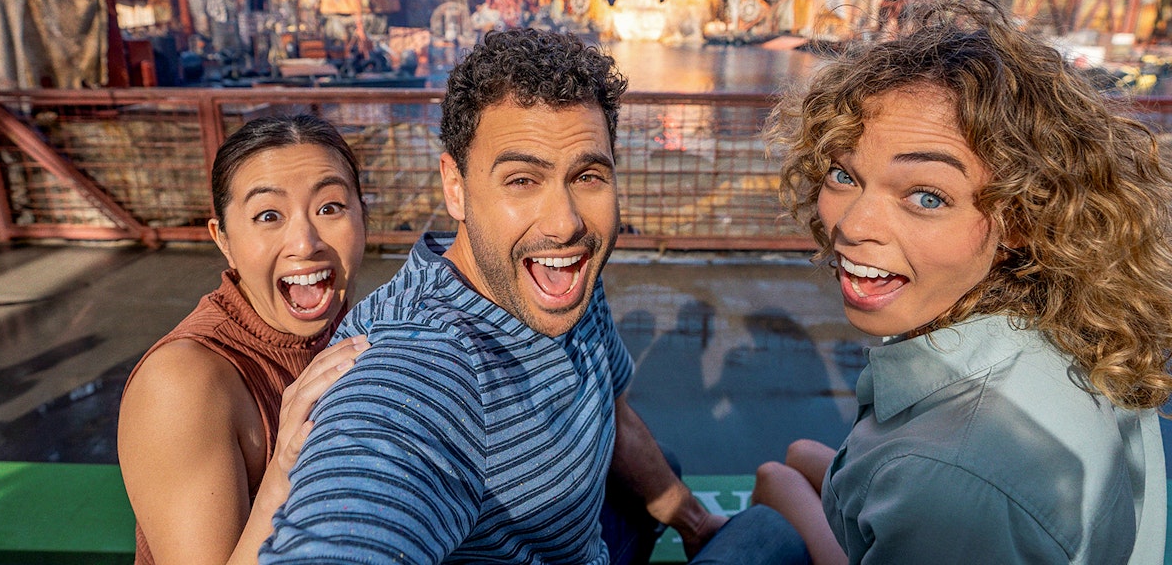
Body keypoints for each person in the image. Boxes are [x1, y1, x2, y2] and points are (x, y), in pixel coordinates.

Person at [260, 28, 809, 564]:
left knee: (664, 466)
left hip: (580, 539)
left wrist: (694, 523)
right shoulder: (421, 365)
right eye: (522, 180)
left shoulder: (561, 280)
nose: (565, 224)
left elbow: (609, 411)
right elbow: (360, 502)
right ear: (456, 187)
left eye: (587, 176)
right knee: (768, 532)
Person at [753, 0, 1171, 564]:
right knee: (799, 456)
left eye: (927, 196)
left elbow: (949, 491)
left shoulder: (952, 479)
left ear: (1022, 216)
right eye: (842, 173)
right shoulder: (1080, 329)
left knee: (773, 490)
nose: (852, 225)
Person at [118, 114, 371, 565]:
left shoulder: (356, 329)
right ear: (225, 240)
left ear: (363, 217)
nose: (305, 241)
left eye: (330, 207)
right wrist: (284, 469)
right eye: (268, 215)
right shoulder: (182, 383)